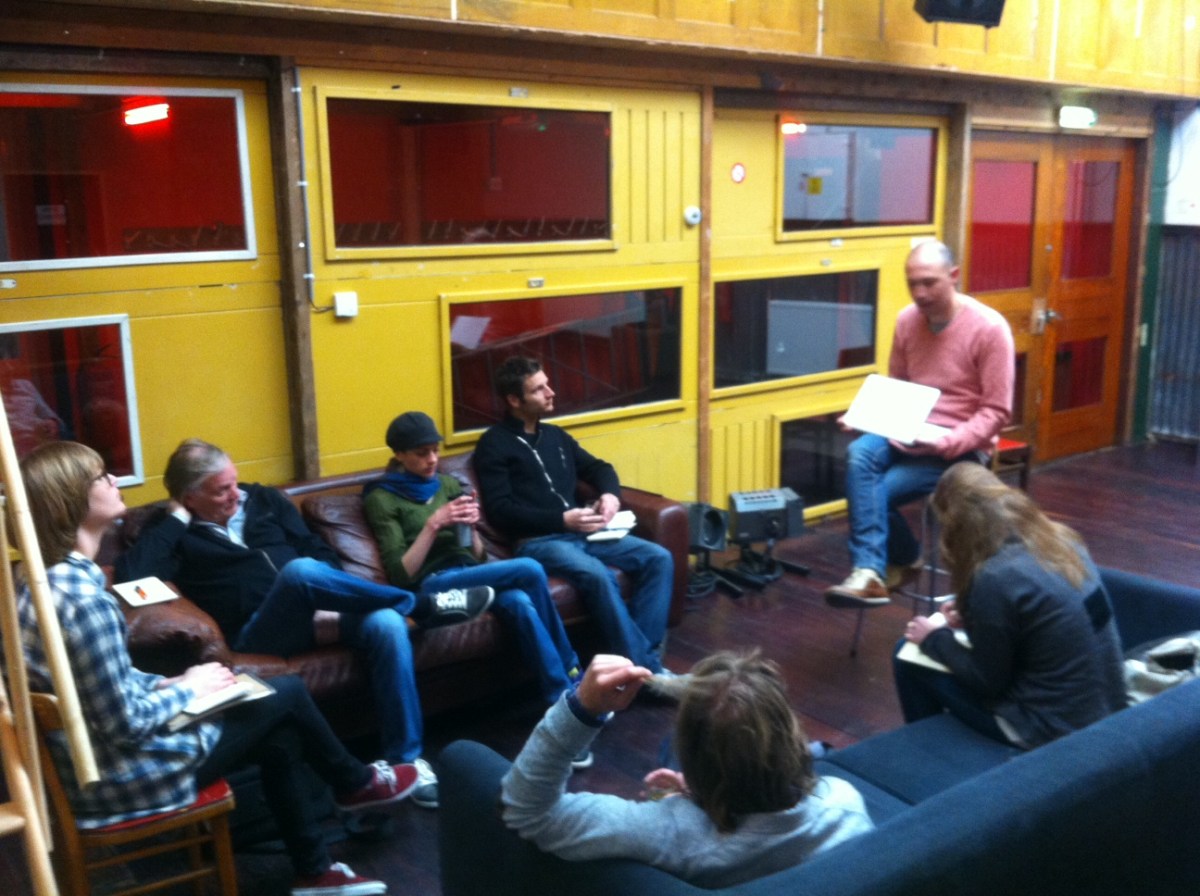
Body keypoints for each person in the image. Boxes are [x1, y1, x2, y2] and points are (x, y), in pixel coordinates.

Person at [11, 441, 421, 896]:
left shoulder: (42, 584)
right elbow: (126, 724)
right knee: (284, 692)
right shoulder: (84, 602)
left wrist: (165, 683)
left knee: (281, 721)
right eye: (101, 476)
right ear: (72, 501)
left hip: (102, 763)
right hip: (124, 777)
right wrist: (189, 688)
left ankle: (316, 868)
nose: (113, 480)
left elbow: (104, 687)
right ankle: (354, 784)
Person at [115, 438, 495, 810]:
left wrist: (327, 597)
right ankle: (421, 606)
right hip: (260, 632)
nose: (236, 494)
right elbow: (133, 578)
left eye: (234, 482)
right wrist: (176, 519)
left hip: (318, 612)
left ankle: (405, 759)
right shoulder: (174, 534)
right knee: (297, 573)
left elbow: (318, 550)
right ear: (190, 498)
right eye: (221, 491)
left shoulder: (264, 500)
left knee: (386, 624)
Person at [477, 650, 872, 888]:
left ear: (695, 764)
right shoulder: (845, 805)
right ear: (791, 734)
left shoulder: (669, 833)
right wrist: (700, 796)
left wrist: (580, 710)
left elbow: (524, 810)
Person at [362, 411, 591, 766]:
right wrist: (434, 525)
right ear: (400, 454)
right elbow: (401, 575)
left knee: (518, 601)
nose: (432, 459)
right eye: (422, 453)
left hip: (469, 575)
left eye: (435, 450)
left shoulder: (447, 485)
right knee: (529, 569)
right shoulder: (382, 497)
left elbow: (478, 557)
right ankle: (572, 672)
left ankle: (559, 708)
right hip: (432, 586)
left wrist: (472, 528)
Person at [826, 239, 1015, 608]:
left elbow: (996, 411)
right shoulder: (906, 320)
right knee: (859, 454)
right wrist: (865, 415)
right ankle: (869, 571)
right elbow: (897, 387)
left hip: (959, 446)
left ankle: (899, 559)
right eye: (913, 283)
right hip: (907, 430)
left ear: (954, 275)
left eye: (929, 282)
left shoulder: (990, 328)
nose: (920, 293)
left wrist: (949, 443)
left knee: (873, 493)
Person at [895, 462, 1127, 749]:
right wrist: (974, 615)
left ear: (955, 525)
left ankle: (931, 755)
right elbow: (1035, 622)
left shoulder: (994, 576)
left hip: (1051, 730)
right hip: (1108, 710)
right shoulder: (1061, 539)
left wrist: (933, 639)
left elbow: (987, 682)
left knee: (906, 656)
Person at [473, 356, 674, 675]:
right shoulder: (494, 445)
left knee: (658, 558)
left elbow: (600, 468)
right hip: (538, 541)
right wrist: (562, 520)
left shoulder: (556, 437)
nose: (550, 392)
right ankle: (648, 671)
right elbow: (501, 511)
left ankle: (638, 664)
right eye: (539, 389)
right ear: (514, 400)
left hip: (583, 533)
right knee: (596, 574)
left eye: (547, 384)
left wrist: (610, 495)